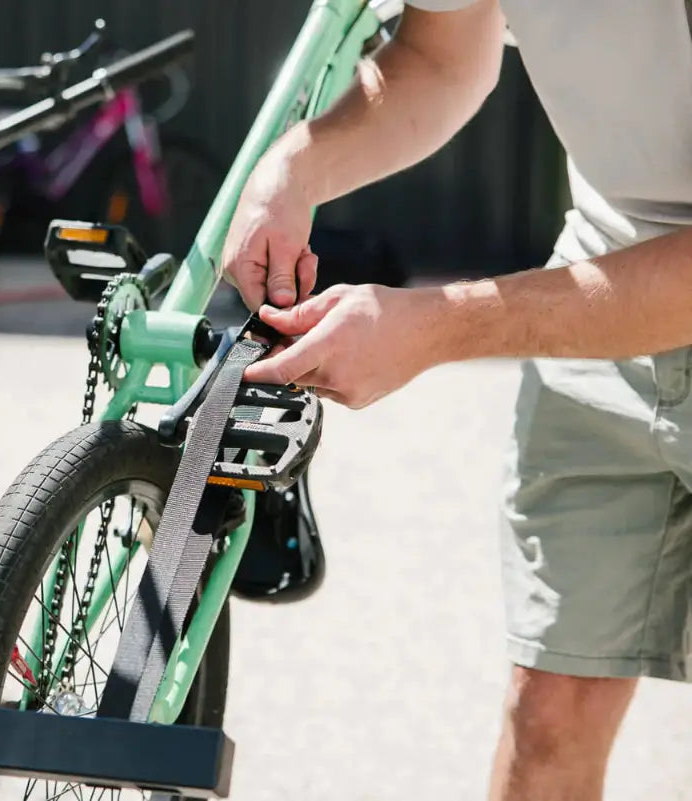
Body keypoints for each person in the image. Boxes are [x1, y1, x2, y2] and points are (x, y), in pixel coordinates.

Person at [222, 0, 692, 798]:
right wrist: (296, 167)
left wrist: (432, 326)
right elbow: (441, 55)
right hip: (611, 251)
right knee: (547, 716)